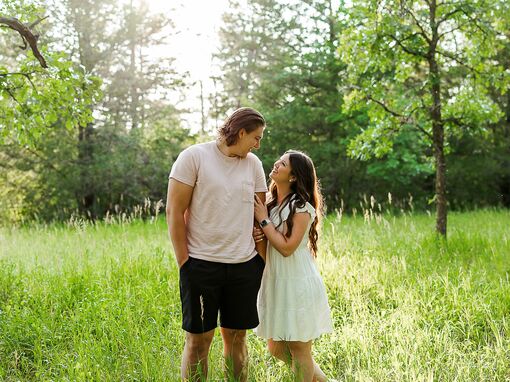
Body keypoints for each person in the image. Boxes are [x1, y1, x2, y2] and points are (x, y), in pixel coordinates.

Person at [166, 107, 268, 381]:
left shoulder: (253, 164)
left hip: (244, 268)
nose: (258, 145)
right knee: (199, 342)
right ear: (241, 131)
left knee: (236, 338)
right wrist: (184, 262)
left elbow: (261, 215)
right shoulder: (194, 157)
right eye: (256, 137)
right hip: (200, 266)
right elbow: (174, 211)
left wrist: (260, 259)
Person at [253, 150, 333, 382]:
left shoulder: (301, 208)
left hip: (297, 281)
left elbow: (287, 248)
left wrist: (263, 221)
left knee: (299, 349)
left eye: (283, 163)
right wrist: (260, 235)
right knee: (276, 348)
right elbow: (267, 252)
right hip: (276, 281)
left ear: (294, 176)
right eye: (278, 160)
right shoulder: (269, 204)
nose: (276, 164)